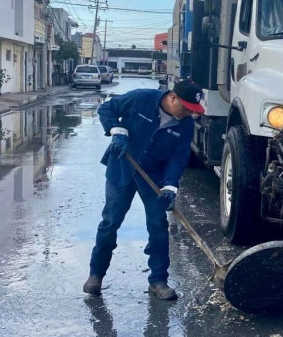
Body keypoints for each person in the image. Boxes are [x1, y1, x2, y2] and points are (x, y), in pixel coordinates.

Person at [83, 80, 203, 300]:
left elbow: (178, 158)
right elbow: (107, 108)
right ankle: (96, 275)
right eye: (186, 107)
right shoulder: (141, 98)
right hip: (122, 167)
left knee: (158, 226)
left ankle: (158, 281)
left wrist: (169, 187)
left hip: (153, 178)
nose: (188, 113)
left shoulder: (185, 125)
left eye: (192, 110)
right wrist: (117, 131)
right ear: (173, 98)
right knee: (110, 222)